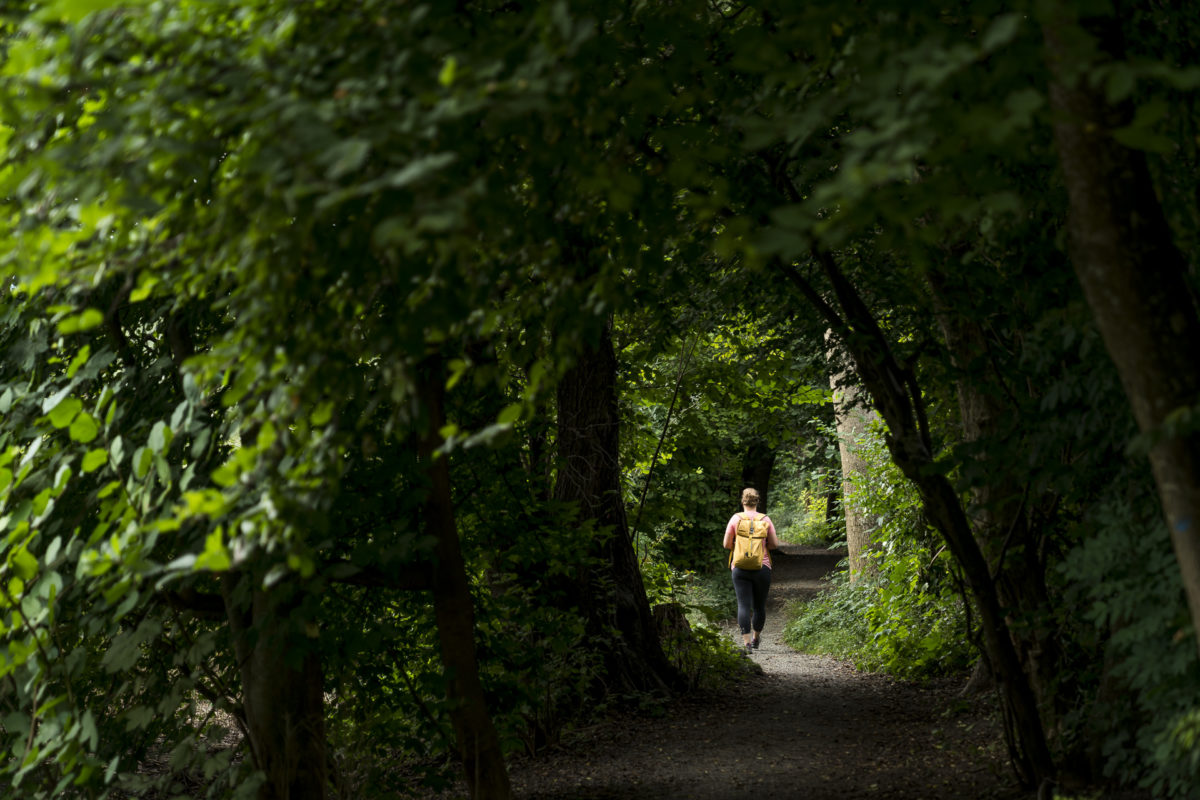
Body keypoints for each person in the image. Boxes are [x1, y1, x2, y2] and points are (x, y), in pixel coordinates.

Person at [723, 487, 780, 655]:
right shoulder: (765, 519)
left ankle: (746, 643)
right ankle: (756, 639)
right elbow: (774, 544)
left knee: (743, 605)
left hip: (740, 567)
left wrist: (739, 547)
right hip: (762, 567)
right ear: (757, 502)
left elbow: (726, 544)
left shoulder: (735, 519)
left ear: (743, 501)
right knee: (759, 606)